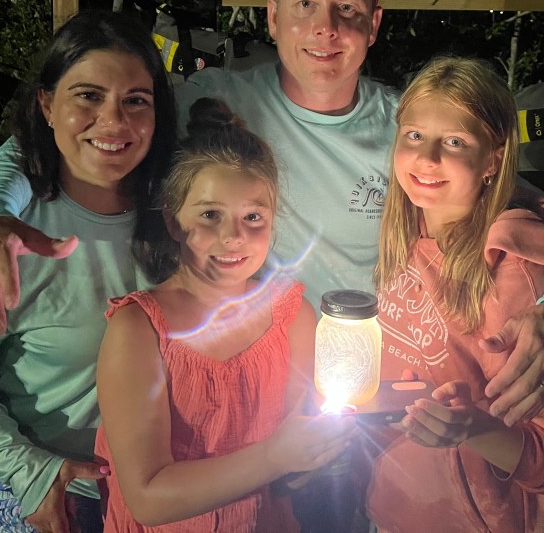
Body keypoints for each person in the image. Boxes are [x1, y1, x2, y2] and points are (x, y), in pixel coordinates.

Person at [0, 0, 544, 426]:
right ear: (272, 15)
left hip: (370, 388)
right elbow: (70, 131)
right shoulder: (217, 102)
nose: (325, 28)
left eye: (347, 10)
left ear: (374, 24)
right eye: (304, 5)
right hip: (239, 382)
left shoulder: (410, 129)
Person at [0, 10, 177, 533]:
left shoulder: (186, 211)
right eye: (87, 96)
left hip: (165, 484)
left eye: (135, 101)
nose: (114, 121)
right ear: (46, 104)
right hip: (49, 484)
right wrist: (26, 469)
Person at [94, 97, 354, 531]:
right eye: (211, 215)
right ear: (174, 222)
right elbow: (147, 497)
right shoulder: (139, 329)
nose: (234, 236)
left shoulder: (293, 316)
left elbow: (293, 460)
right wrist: (277, 457)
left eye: (253, 216)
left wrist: (316, 456)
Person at [365, 56, 544, 532]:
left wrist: (472, 428)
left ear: (494, 158)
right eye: (415, 135)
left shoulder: (515, 277)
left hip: (475, 518)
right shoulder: (405, 232)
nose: (427, 158)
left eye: (455, 142)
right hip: (391, 505)